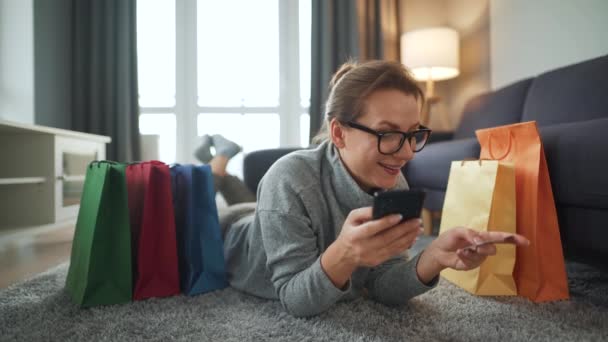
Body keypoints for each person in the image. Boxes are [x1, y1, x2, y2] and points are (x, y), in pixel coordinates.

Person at [195, 60, 530, 318]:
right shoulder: (288, 178)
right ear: (339, 134)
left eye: (413, 134)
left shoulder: (392, 178)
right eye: (388, 134)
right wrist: (346, 254)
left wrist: (433, 257)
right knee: (205, 200)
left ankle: (221, 166)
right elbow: (295, 299)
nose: (407, 152)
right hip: (228, 233)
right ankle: (219, 161)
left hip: (267, 211)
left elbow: (382, 283)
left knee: (256, 202)